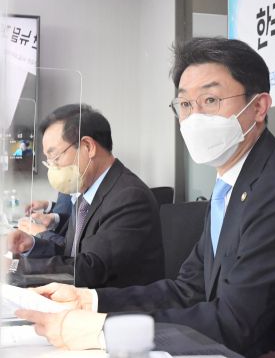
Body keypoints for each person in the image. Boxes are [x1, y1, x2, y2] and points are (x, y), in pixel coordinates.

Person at [17, 38, 275, 357]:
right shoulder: (230, 183)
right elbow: (189, 290)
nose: (194, 118)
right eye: (184, 105)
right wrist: (90, 301)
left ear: (258, 107)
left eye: (210, 100)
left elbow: (237, 326)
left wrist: (104, 329)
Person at [7, 104, 165, 288]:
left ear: (88, 147)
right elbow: (72, 253)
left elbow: (90, 269)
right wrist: (31, 244)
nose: (52, 168)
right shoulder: (86, 192)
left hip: (111, 303)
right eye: (48, 161)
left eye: (55, 157)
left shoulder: (129, 197)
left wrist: (15, 267)